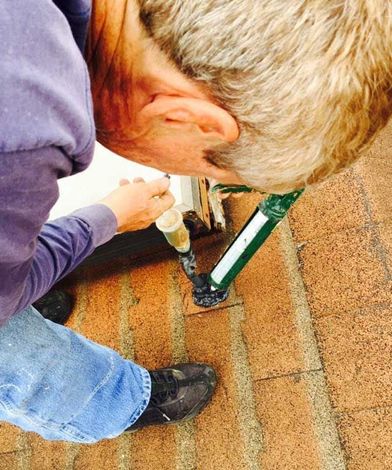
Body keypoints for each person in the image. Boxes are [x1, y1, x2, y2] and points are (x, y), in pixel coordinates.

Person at [1, 0, 391, 443]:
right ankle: (105, 404)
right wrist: (106, 218)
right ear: (182, 118)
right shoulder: (23, 136)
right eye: (213, 172)